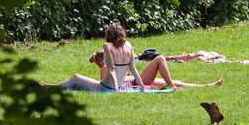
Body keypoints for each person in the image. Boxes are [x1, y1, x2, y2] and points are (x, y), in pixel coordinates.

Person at [40, 23, 145, 92]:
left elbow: (112, 69)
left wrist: (116, 89)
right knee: (78, 82)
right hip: (118, 85)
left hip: (106, 87)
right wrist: (142, 87)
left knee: (75, 77)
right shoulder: (129, 45)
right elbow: (133, 68)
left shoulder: (107, 46)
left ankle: (50, 87)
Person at [89, 50, 224, 89]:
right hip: (138, 82)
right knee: (160, 59)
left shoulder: (109, 67)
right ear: (103, 60)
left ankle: (208, 85)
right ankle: (170, 85)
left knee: (178, 81)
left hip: (138, 81)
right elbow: (110, 86)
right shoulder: (105, 68)